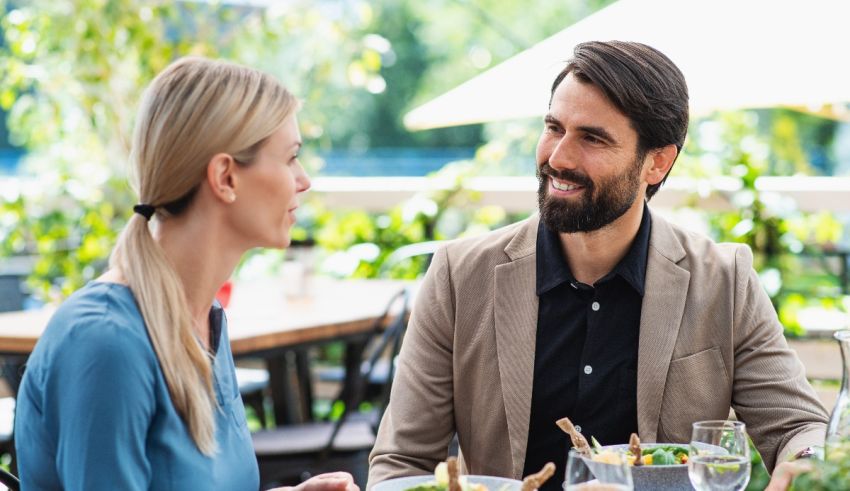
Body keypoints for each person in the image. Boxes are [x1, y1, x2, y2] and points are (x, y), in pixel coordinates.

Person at [368, 41, 828, 491]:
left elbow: (798, 428)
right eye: (553, 127)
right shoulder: (458, 275)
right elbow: (402, 461)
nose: (559, 157)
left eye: (592, 138)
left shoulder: (723, 281)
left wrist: (806, 462)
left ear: (657, 162)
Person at [14, 57, 358, 491]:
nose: (303, 180)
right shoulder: (106, 340)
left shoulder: (204, 319)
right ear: (225, 176)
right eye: (291, 158)